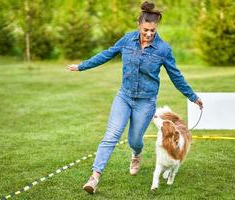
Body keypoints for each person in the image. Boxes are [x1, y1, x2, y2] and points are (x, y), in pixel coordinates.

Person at [67, 1, 203, 194]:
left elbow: (176, 75)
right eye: (146, 29)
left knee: (135, 140)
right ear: (139, 24)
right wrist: (82, 66)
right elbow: (107, 54)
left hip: (145, 102)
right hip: (124, 96)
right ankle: (94, 177)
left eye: (153, 31)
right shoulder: (127, 39)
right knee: (111, 135)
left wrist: (193, 96)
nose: (149, 34)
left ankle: (136, 154)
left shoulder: (163, 49)